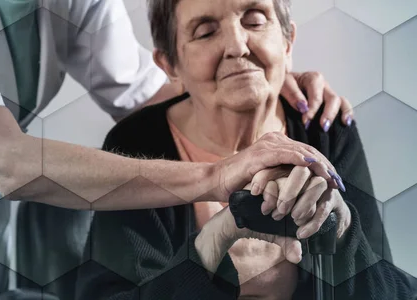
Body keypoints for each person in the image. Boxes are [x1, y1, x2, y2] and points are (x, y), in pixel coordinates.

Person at [0, 0, 352, 298]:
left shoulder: (327, 132)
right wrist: (218, 176)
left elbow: (151, 95)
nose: (235, 38)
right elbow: (6, 160)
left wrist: (254, 77)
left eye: (254, 19)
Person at [76, 0, 417, 299]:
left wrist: (342, 235)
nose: (237, 45)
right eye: (205, 31)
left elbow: (391, 291)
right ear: (169, 65)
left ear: (287, 40)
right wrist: (207, 254)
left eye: (254, 20)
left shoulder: (325, 127)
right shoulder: (137, 144)